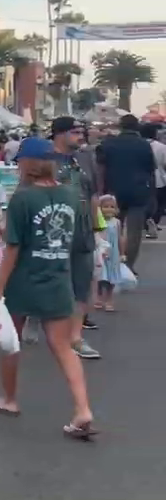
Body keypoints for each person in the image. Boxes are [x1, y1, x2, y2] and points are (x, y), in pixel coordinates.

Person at [0, 137, 96, 440]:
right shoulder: (71, 195)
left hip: (24, 280)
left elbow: (13, 248)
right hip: (57, 276)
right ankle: (82, 408)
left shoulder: (23, 198)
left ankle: (9, 398)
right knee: (62, 347)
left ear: (27, 164)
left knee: (9, 341)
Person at [52, 117, 102, 360]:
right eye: (75, 132)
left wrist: (97, 229)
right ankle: (37, 318)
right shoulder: (43, 160)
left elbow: (93, 194)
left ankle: (75, 338)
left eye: (82, 131)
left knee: (82, 282)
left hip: (82, 231)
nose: (81, 136)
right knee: (51, 283)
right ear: (59, 134)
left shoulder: (84, 159)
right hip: (54, 231)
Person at [96, 114, 154, 270]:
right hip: (138, 191)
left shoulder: (109, 143)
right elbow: (150, 170)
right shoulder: (144, 145)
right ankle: (128, 266)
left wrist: (100, 191)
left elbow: (101, 168)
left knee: (112, 227)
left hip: (113, 191)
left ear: (120, 126)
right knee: (134, 231)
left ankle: (111, 262)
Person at [95, 195, 124, 312]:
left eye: (112, 207)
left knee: (111, 277)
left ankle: (109, 299)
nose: (109, 209)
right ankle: (99, 297)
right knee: (99, 276)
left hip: (113, 254)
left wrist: (122, 253)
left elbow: (120, 239)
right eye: (105, 206)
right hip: (101, 252)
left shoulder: (117, 222)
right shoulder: (97, 221)